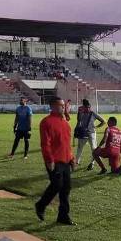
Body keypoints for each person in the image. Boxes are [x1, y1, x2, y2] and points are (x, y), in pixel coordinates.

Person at [34, 96, 75, 225]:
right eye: (60, 105)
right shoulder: (46, 122)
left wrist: (72, 158)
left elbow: (67, 143)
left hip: (66, 159)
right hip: (54, 160)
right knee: (57, 184)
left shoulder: (65, 123)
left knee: (66, 188)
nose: (63, 107)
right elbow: (45, 143)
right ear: (52, 106)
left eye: (64, 105)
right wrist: (49, 160)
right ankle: (41, 205)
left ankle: (63, 216)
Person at [74, 99, 104, 170]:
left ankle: (92, 163)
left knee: (93, 148)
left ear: (90, 107)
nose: (87, 108)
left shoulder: (93, 113)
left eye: (88, 107)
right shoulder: (81, 113)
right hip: (82, 133)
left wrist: (96, 127)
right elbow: (78, 121)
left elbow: (103, 121)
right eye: (86, 107)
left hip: (91, 133)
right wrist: (76, 130)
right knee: (79, 148)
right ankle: (76, 162)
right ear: (83, 107)